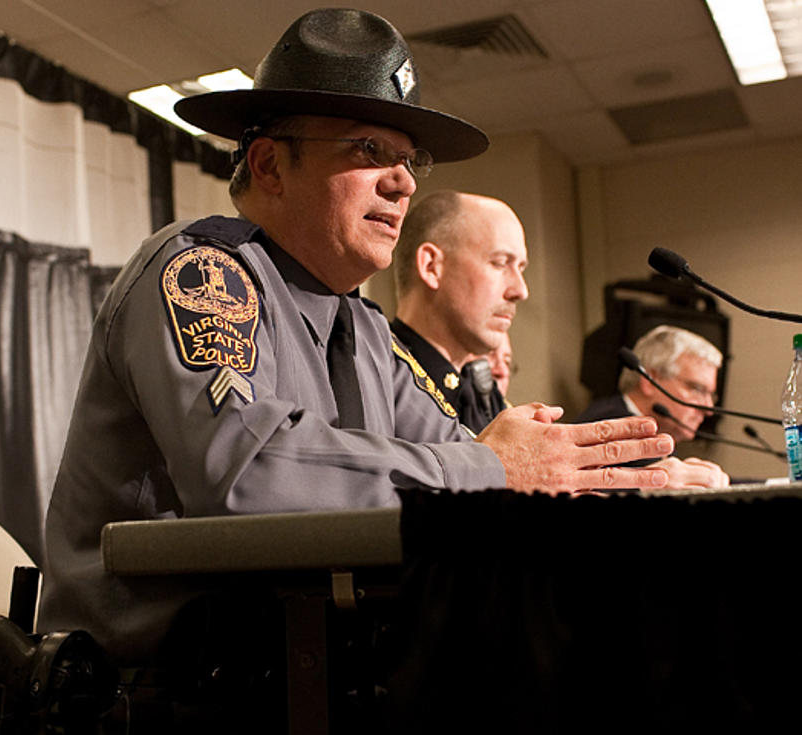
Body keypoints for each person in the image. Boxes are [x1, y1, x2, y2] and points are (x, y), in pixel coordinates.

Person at [38, 8, 675, 668]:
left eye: (408, 159)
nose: (403, 182)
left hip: (298, 661)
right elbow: (249, 476)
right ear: (269, 164)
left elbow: (464, 453)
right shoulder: (202, 273)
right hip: (156, 681)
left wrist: (613, 484)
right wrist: (496, 467)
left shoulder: (363, 327)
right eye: (368, 150)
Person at [391, 191, 525, 433]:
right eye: (500, 263)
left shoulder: (484, 394)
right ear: (432, 266)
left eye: (521, 268)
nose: (520, 290)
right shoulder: (380, 376)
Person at [575, 324, 729, 487]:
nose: (708, 409)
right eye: (697, 389)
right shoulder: (606, 429)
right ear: (650, 381)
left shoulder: (656, 437)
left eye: (711, 395)